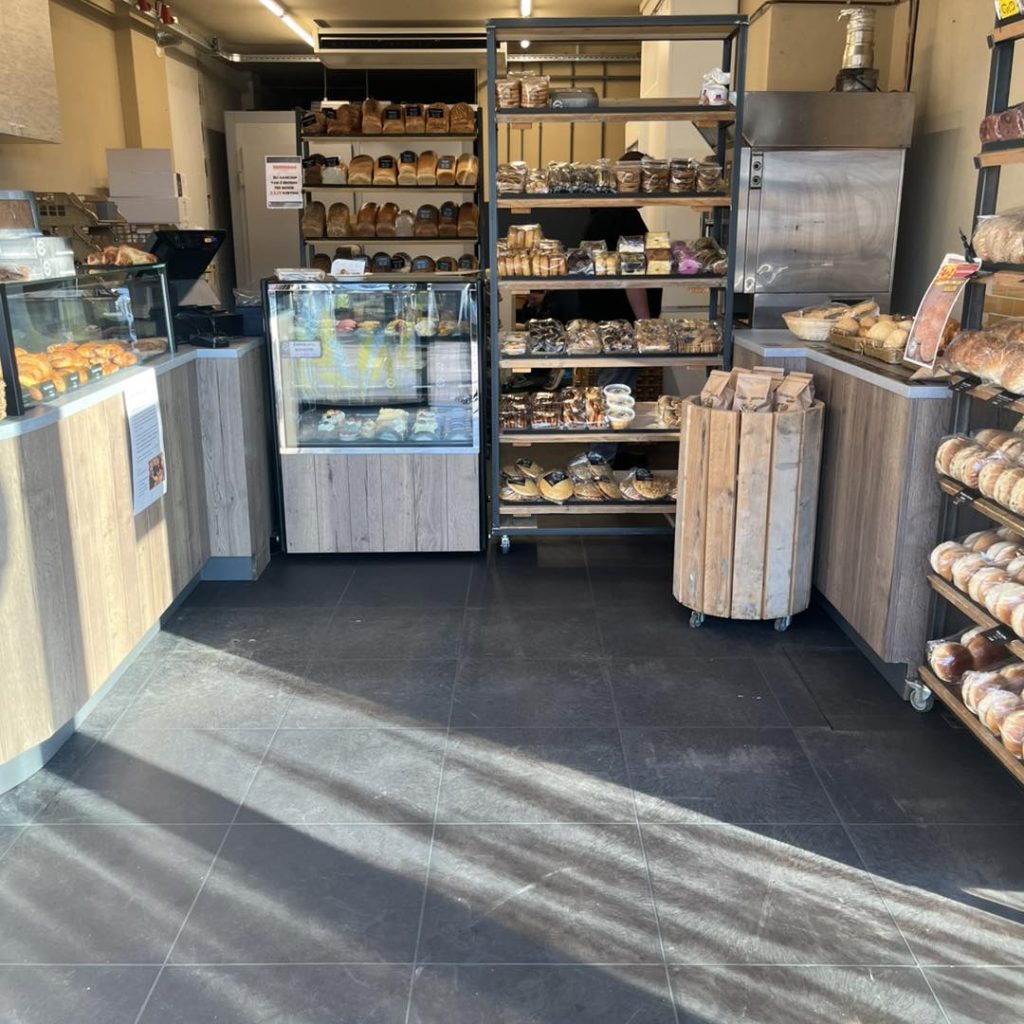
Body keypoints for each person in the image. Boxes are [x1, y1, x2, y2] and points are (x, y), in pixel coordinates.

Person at [580, 150, 663, 461]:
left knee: (618, 387)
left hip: (603, 319)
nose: (651, 184)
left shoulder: (604, 212)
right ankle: (601, 458)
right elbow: (632, 277)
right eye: (647, 177)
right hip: (620, 323)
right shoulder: (625, 216)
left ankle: (616, 449)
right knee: (614, 388)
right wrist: (645, 324)